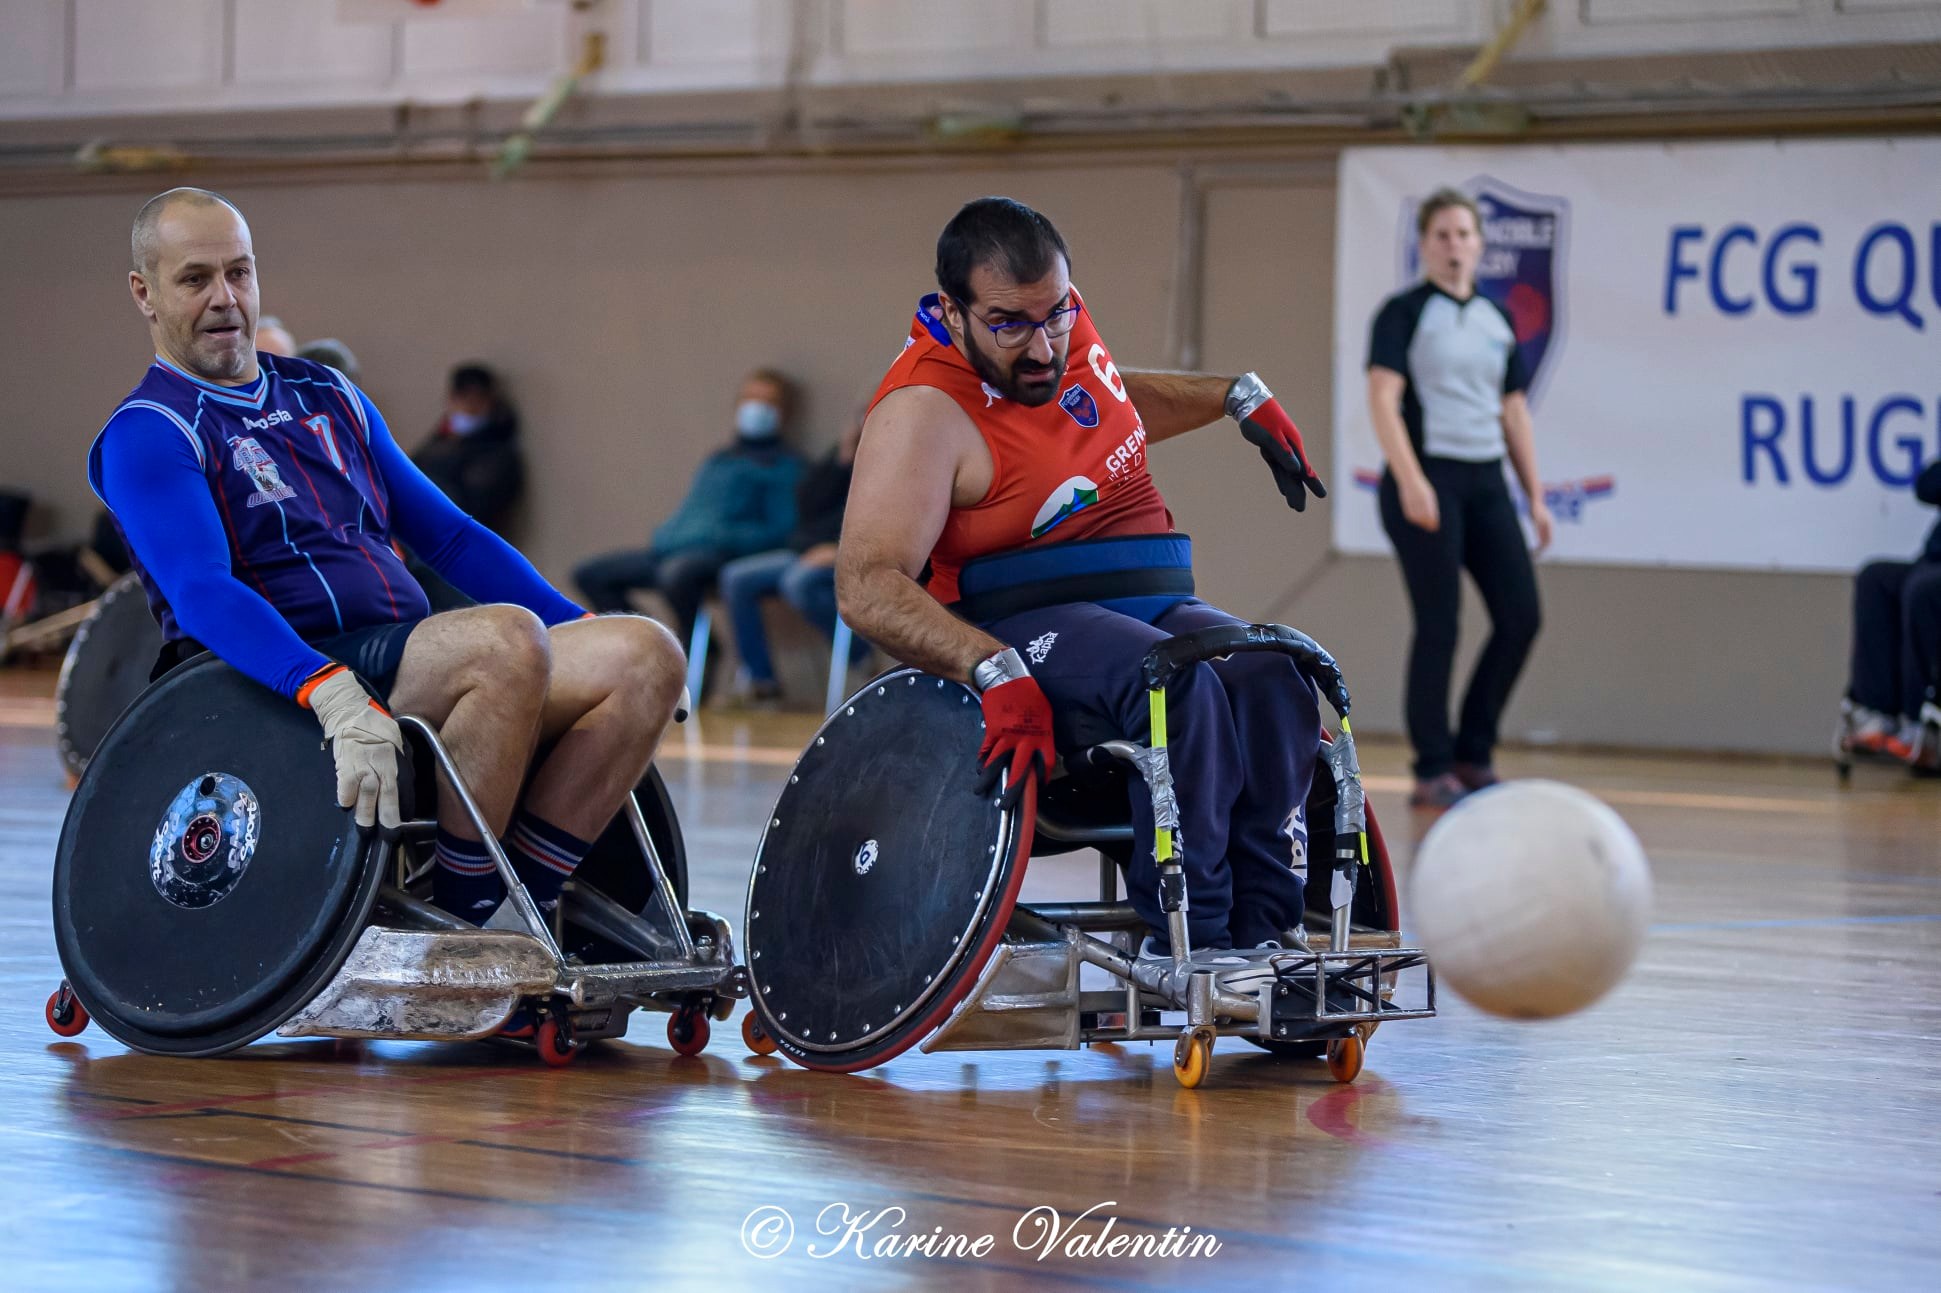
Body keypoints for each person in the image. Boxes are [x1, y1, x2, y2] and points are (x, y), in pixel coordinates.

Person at [92, 187, 685, 945]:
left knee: (644, 652)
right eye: (195, 279)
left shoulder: (326, 391)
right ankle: (463, 925)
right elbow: (200, 590)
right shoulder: (149, 431)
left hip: (402, 653)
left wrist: (579, 624)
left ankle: (516, 909)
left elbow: (453, 538)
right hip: (279, 681)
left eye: (239, 272)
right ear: (144, 292)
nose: (224, 298)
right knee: (504, 643)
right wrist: (326, 688)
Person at [836, 196, 1328, 986]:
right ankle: (1188, 941)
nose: (1043, 347)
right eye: (1009, 325)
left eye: (1056, 315)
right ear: (952, 312)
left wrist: (1232, 394)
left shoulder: (1048, 325)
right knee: (1175, 684)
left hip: (1138, 588)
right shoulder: (922, 412)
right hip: (1019, 613)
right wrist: (992, 669)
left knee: (1276, 674)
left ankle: (1266, 934)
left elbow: (1101, 399)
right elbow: (864, 586)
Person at [1366, 187, 1551, 810]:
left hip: (1486, 480)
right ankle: (1432, 767)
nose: (1454, 245)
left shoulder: (1497, 319)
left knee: (1521, 615)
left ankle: (1474, 752)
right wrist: (1411, 478)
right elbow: (1383, 399)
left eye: (1464, 234)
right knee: (1440, 622)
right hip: (1427, 477)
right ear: (1424, 245)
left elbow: (1514, 411)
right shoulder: (1404, 313)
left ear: (1480, 245)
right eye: (1442, 235)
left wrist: (1535, 496)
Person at [574, 370, 803, 647]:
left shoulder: (785, 468)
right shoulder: (719, 460)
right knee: (593, 575)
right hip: (673, 549)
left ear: (784, 412)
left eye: (767, 402)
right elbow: (692, 511)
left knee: (676, 574)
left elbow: (782, 531)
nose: (755, 408)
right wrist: (667, 534)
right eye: (749, 398)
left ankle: (693, 649)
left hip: (720, 556)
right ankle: (649, 645)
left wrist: (725, 537)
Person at [717, 406, 867, 703]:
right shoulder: (842, 458)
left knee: (798, 582)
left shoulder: (894, 461)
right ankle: (762, 682)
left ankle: (862, 652)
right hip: (804, 550)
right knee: (736, 577)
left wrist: (841, 551)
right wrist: (841, 460)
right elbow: (807, 503)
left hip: (847, 554)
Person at [1844, 460, 1941, 771]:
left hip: (1931, 580)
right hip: (1932, 562)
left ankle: (1919, 720)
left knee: (1922, 591)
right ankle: (1878, 712)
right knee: (1875, 580)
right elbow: (1926, 487)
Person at [411, 363, 525, 535]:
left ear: (491, 403)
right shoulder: (438, 442)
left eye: (478, 400)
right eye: (463, 398)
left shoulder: (497, 454)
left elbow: (474, 506)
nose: (470, 407)